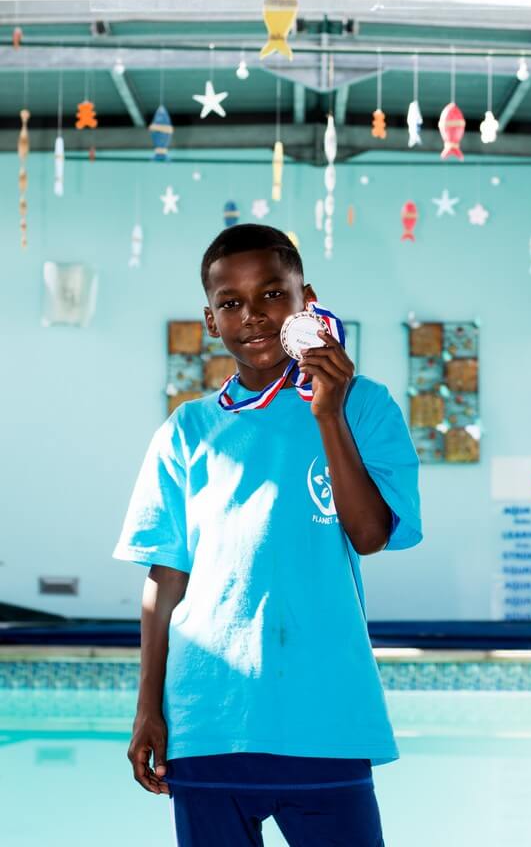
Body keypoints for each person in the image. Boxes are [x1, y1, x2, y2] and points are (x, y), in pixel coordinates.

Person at [112, 224, 422, 846]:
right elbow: (165, 579)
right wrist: (149, 706)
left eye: (272, 295)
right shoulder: (186, 430)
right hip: (207, 717)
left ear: (307, 300)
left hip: (325, 715)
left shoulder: (366, 406)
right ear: (210, 319)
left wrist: (328, 413)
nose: (252, 316)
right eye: (231, 303)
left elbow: (369, 535)